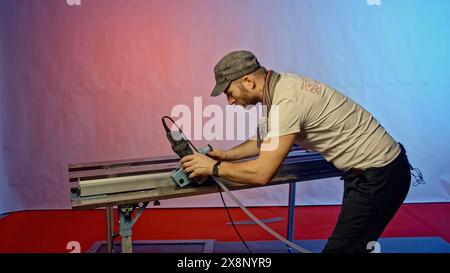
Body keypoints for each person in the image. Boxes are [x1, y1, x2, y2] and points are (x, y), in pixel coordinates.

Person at [180, 50, 411, 253]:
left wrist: (214, 168)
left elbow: (262, 173)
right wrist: (226, 155)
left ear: (248, 81)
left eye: (229, 92)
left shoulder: (286, 102)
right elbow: (265, 141)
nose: (230, 101)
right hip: (373, 172)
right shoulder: (280, 86)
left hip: (380, 176)